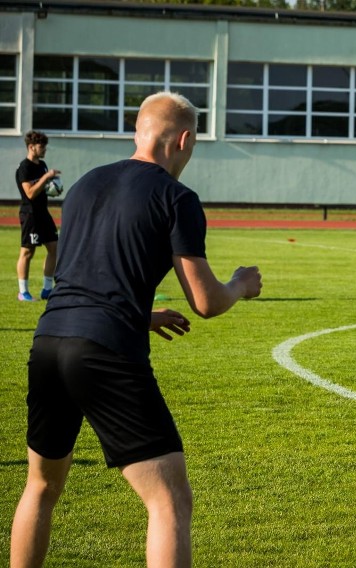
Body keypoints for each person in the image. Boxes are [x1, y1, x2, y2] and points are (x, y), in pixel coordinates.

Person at [10, 92, 263, 568]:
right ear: (184, 140)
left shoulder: (86, 184)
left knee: (40, 487)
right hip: (104, 352)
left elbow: (83, 278)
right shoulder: (176, 196)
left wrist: (141, 316)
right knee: (169, 501)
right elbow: (206, 302)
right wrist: (240, 285)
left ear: (138, 132)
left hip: (49, 342)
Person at [14, 130, 61, 301]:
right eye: (42, 147)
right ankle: (23, 292)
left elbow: (42, 188)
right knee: (28, 251)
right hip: (30, 215)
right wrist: (46, 177)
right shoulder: (24, 168)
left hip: (43, 213)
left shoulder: (42, 165)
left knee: (54, 248)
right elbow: (30, 193)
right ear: (31, 147)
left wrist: (53, 187)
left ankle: (47, 289)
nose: (44, 150)